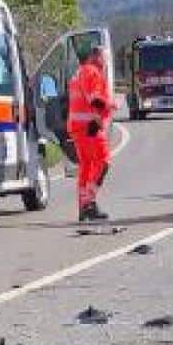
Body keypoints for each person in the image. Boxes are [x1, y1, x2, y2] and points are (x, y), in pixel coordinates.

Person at [66, 41, 115, 221]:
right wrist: (110, 104)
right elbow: (94, 100)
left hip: (77, 127)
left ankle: (83, 207)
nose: (105, 62)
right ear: (96, 57)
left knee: (86, 167)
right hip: (90, 126)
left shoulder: (78, 73)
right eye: (104, 58)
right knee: (103, 163)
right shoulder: (93, 72)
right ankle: (89, 204)